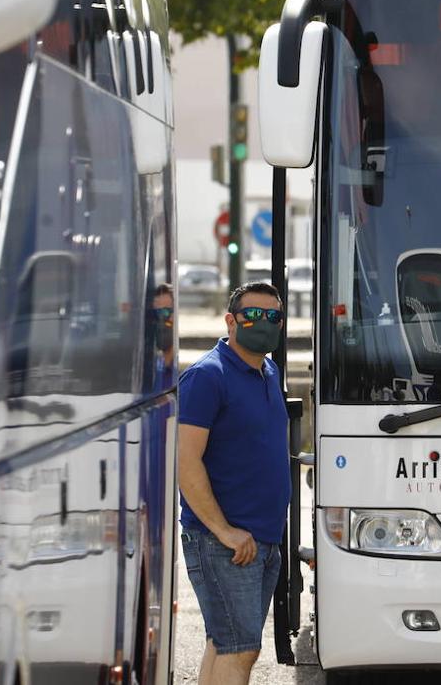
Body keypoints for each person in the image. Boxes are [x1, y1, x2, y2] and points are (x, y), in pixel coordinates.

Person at [177, 282, 290, 685]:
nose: (264, 324)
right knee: (241, 648)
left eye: (273, 317)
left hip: (260, 539)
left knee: (225, 643)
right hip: (225, 542)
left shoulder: (268, 371)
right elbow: (185, 461)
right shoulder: (207, 376)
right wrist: (223, 531)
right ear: (231, 320)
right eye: (253, 316)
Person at [151, 282, 176, 391]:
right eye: (157, 312)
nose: (162, 322)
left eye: (167, 310)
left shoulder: (179, 372)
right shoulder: (149, 367)